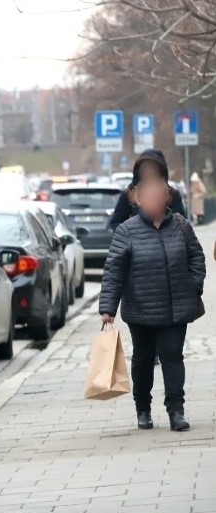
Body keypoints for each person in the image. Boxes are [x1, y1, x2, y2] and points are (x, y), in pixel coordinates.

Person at [100, 149, 206, 432]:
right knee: (144, 359)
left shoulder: (181, 226)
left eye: (159, 196)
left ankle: (176, 411)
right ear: (138, 200)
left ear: (166, 199)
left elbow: (197, 257)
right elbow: (114, 270)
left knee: (173, 356)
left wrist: (193, 286)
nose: (154, 201)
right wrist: (108, 308)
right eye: (148, 197)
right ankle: (143, 409)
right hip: (141, 308)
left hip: (176, 306)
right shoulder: (127, 231)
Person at [109, 149, 186, 231]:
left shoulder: (172, 194)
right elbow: (116, 223)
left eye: (153, 171)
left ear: (161, 173)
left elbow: (181, 225)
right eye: (145, 170)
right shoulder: (129, 195)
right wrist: (131, 236)